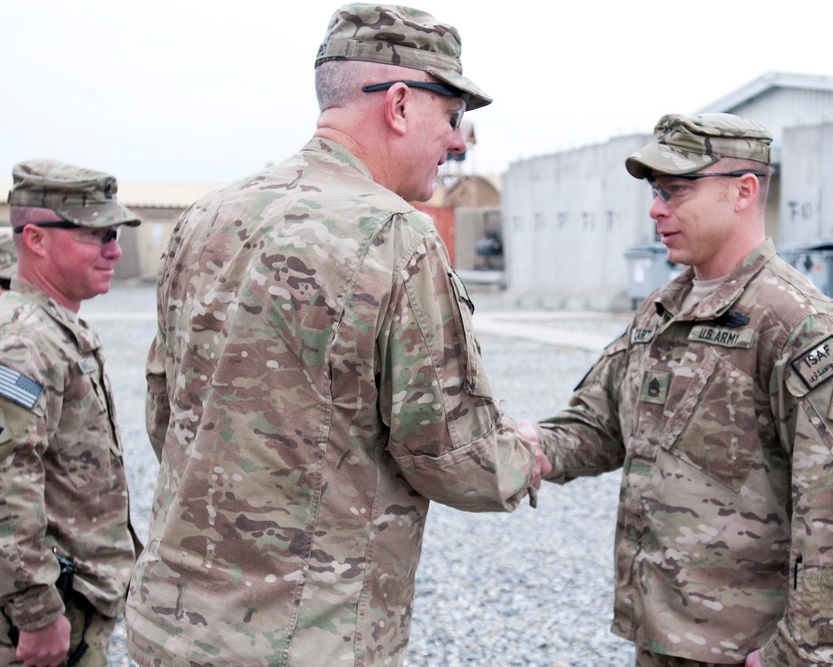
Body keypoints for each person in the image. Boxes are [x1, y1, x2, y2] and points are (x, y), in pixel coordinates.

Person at [125, 4, 548, 666]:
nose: (462, 141)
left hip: (170, 627)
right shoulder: (396, 236)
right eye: (455, 116)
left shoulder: (206, 219)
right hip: (306, 640)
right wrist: (526, 453)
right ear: (400, 105)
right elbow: (453, 457)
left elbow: (166, 416)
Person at [519, 113, 833, 667]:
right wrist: (535, 446)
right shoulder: (663, 310)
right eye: (655, 192)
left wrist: (797, 651)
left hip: (744, 651)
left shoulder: (797, 324)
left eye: (677, 190)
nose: (656, 209)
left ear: (743, 192)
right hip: (661, 635)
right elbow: (601, 427)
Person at [0, 160, 141, 667]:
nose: (115, 250)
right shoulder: (22, 341)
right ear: (35, 240)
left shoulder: (53, 327)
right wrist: (35, 611)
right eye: (97, 234)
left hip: (78, 599)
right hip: (45, 614)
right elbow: (5, 482)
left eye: (115, 234)